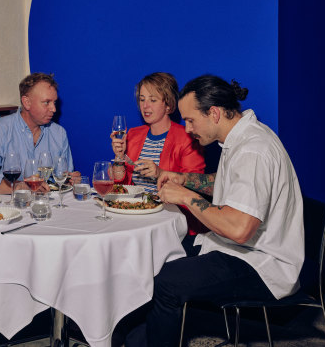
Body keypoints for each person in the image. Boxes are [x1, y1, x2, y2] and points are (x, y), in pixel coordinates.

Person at [125, 75, 304, 346]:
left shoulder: (253, 150)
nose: (186, 129)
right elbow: (222, 181)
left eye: (190, 120)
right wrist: (183, 178)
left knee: (166, 282)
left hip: (261, 262)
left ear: (215, 113)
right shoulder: (243, 138)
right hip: (237, 249)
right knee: (159, 252)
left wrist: (185, 196)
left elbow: (239, 229)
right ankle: (144, 336)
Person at [111, 72, 207, 238]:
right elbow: (119, 184)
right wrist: (119, 157)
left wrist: (159, 173)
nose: (145, 106)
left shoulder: (187, 137)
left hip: (169, 221)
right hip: (135, 215)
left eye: (153, 100)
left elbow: (195, 186)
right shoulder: (133, 134)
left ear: (168, 105)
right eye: (142, 99)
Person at [0, 72, 79, 193]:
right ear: (27, 102)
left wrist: (70, 180)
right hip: (12, 207)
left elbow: (62, 178)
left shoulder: (59, 133)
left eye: (54, 103)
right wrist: (19, 186)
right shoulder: (0, 129)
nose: (53, 109)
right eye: (46, 102)